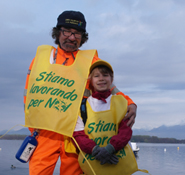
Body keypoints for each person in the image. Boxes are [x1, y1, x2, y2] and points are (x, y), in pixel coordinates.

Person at [23, 10, 137, 175]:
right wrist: (33, 130)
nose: (71, 37)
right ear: (57, 32)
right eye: (66, 31)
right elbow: (28, 94)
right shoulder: (41, 59)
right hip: (44, 134)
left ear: (83, 37)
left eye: (77, 33)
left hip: (76, 134)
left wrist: (130, 103)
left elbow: (107, 85)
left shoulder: (91, 61)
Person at [73, 60, 139, 175]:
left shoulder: (122, 102)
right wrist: (95, 150)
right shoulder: (81, 106)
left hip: (119, 164)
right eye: (96, 76)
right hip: (93, 165)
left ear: (111, 80)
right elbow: (78, 134)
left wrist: (110, 149)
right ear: (91, 82)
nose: (101, 78)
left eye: (105, 75)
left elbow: (125, 131)